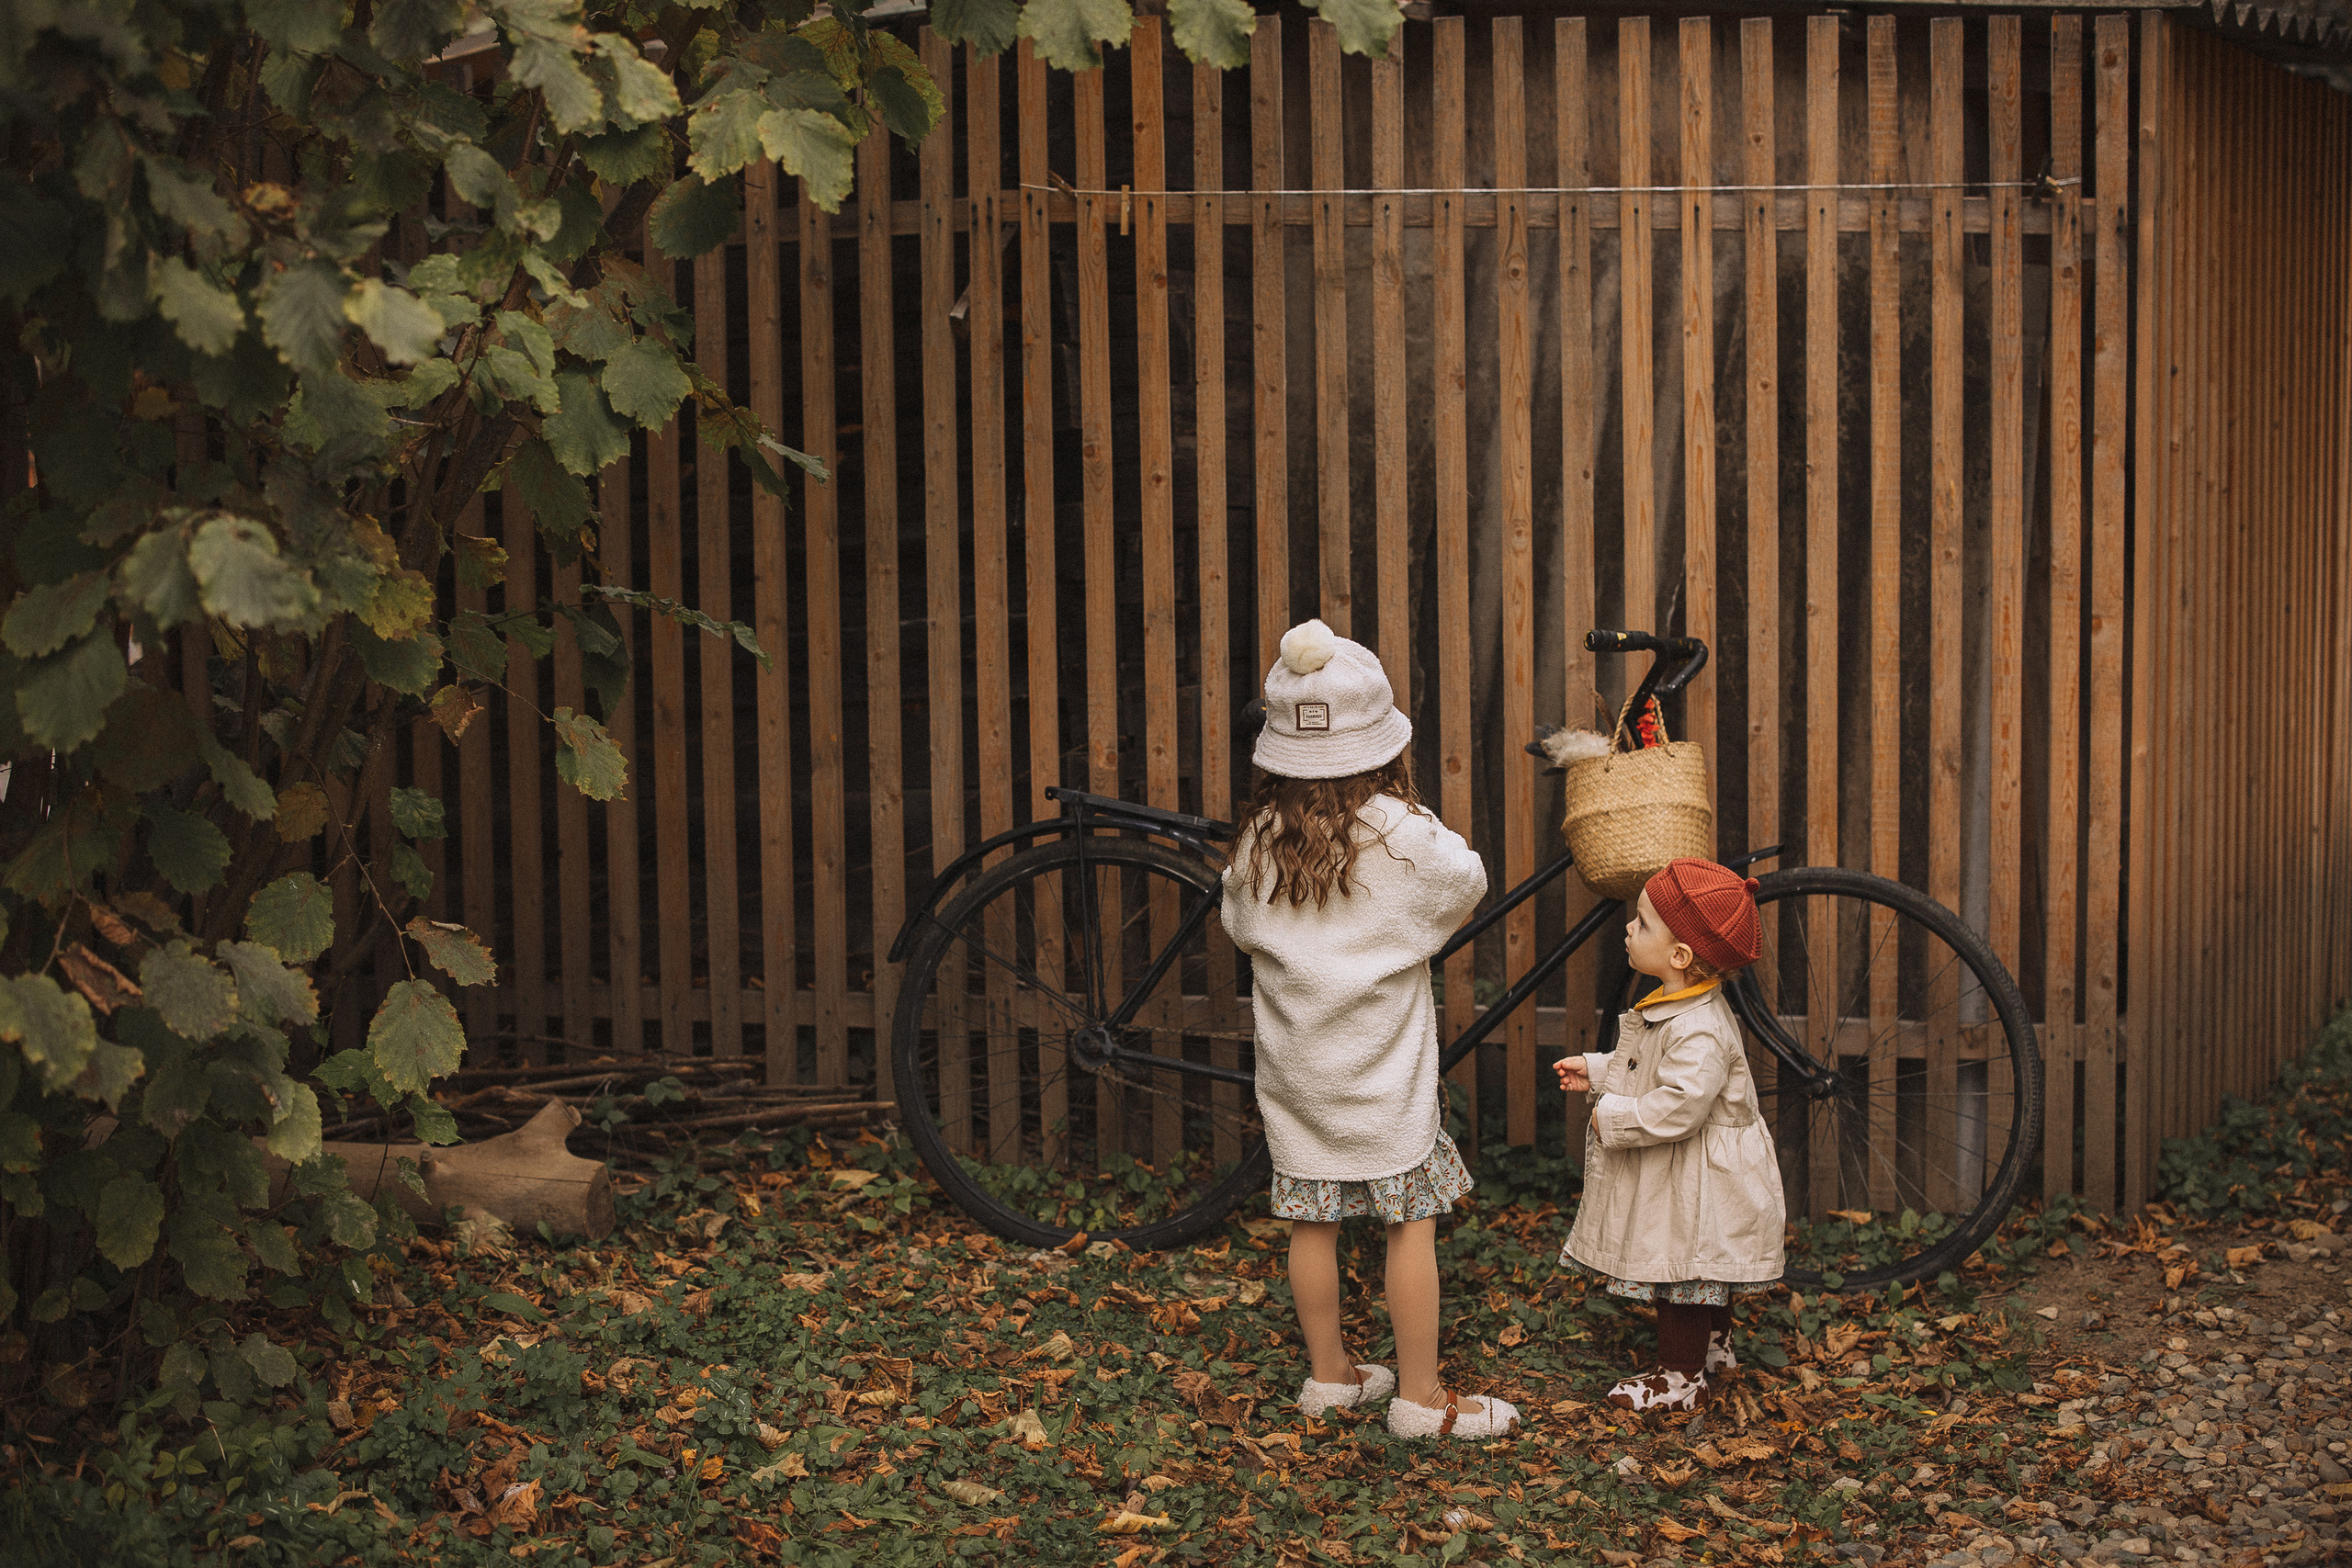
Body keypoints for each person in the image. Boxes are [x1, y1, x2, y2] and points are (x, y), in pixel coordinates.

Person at [1221, 619, 1519, 1440]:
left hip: (1298, 1075)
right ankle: (1420, 1396)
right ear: (1381, 744)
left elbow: (1240, 925)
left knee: (1310, 1222)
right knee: (1407, 1223)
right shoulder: (1400, 833)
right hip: (1384, 1076)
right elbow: (1465, 880)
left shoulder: (1257, 841)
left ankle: (1330, 1375)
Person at [1553, 858, 1786, 1413]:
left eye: (1642, 923)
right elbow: (1650, 1067)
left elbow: (1679, 1105)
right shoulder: (1681, 1006)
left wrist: (1611, 1115)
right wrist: (1601, 1069)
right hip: (1700, 1173)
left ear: (1680, 956)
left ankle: (1680, 1378)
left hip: (1703, 1181)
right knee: (1704, 1267)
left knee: (1684, 1268)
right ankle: (1713, 1347)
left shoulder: (1698, 1027)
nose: (1629, 930)